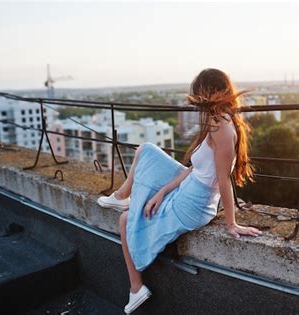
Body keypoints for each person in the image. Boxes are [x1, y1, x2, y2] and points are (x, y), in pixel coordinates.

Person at [97, 68, 263, 314]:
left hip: (193, 204)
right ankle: (122, 197)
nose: (196, 103)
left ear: (209, 93)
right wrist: (162, 191)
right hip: (188, 190)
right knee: (146, 151)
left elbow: (223, 180)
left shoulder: (223, 129)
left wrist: (231, 224)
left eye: (198, 95)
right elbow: (195, 168)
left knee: (124, 221)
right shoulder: (216, 121)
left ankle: (136, 288)